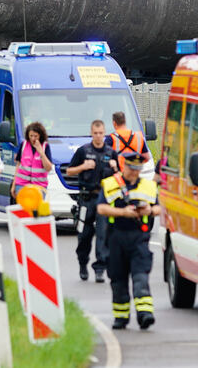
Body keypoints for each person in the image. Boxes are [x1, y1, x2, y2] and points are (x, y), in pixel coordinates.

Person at [97, 152, 160, 330]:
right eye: (132, 168)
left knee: (140, 277)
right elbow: (101, 208)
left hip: (139, 238)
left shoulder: (148, 187)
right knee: (118, 280)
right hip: (116, 237)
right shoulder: (110, 185)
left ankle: (145, 314)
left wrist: (149, 210)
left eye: (138, 169)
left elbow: (160, 208)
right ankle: (121, 317)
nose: (134, 172)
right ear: (125, 166)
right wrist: (123, 213)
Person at [66, 120, 118, 283]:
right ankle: (83, 264)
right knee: (84, 235)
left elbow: (119, 178)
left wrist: (115, 167)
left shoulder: (111, 152)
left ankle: (100, 269)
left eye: (101, 133)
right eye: (95, 133)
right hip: (86, 198)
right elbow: (69, 170)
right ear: (91, 133)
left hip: (104, 200)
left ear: (104, 133)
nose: (98, 136)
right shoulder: (83, 151)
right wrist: (83, 167)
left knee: (103, 234)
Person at [13, 121, 53, 198]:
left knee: (36, 209)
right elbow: (18, 165)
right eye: (31, 136)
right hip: (22, 184)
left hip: (39, 186)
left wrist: (41, 153)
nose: (33, 138)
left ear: (40, 136)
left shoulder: (45, 146)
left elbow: (48, 168)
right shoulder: (24, 145)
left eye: (36, 136)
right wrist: (14, 184)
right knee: (23, 208)